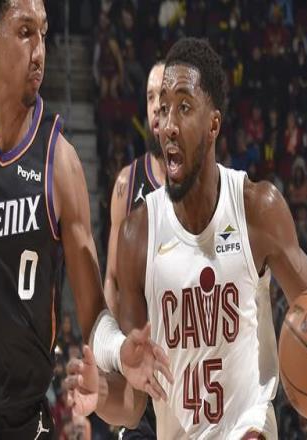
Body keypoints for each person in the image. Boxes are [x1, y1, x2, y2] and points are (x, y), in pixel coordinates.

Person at [66, 37, 307, 438]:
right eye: (164, 108)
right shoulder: (138, 234)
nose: (168, 124)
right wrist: (99, 392)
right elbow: (133, 405)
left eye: (184, 107)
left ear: (214, 125)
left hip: (248, 427)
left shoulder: (257, 209)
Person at [0, 1, 170, 437]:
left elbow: (93, 314)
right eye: (25, 32)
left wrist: (118, 351)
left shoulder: (61, 163)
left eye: (44, 33)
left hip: (23, 415)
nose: (39, 51)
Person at [102, 61, 166, 439]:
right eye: (150, 96)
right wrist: (111, 360)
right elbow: (111, 279)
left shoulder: (206, 187)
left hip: (188, 373)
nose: (156, 105)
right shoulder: (127, 184)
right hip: (140, 382)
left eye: (164, 96)